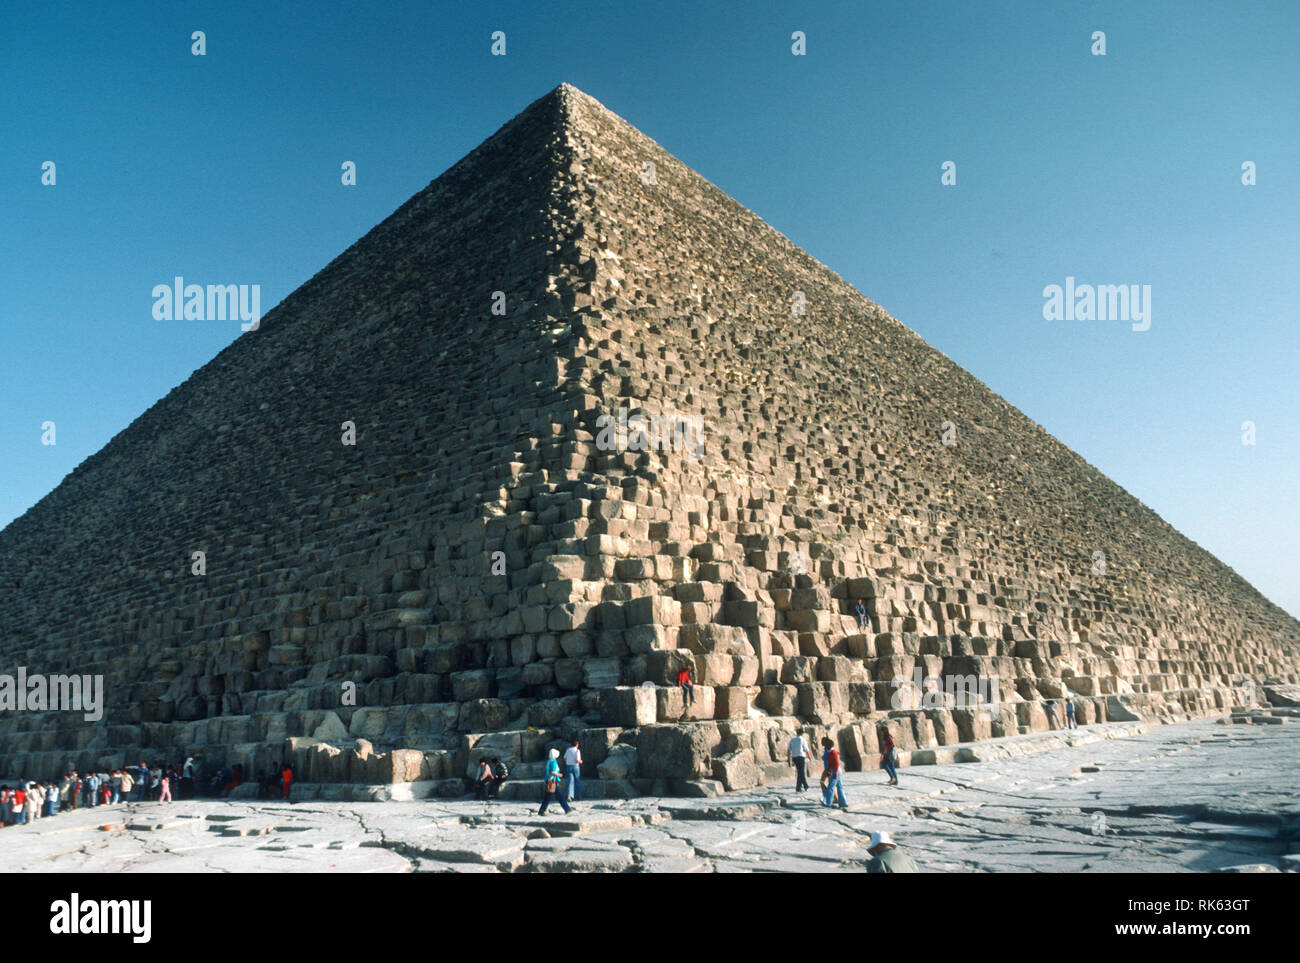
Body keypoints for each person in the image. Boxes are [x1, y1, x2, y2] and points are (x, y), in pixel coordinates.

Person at [537, 749, 571, 815]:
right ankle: (567, 808)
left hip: (549, 780)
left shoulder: (549, 761)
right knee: (552, 796)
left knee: (553, 796)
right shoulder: (553, 762)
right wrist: (559, 775)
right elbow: (553, 772)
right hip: (552, 781)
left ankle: (542, 810)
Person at [821, 738, 848, 810]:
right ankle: (843, 802)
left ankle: (827, 802)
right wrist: (829, 770)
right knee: (839, 786)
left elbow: (836, 763)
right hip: (834, 770)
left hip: (836, 771)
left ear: (828, 746)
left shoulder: (833, 752)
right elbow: (830, 763)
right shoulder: (830, 752)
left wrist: (835, 773)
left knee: (831, 786)